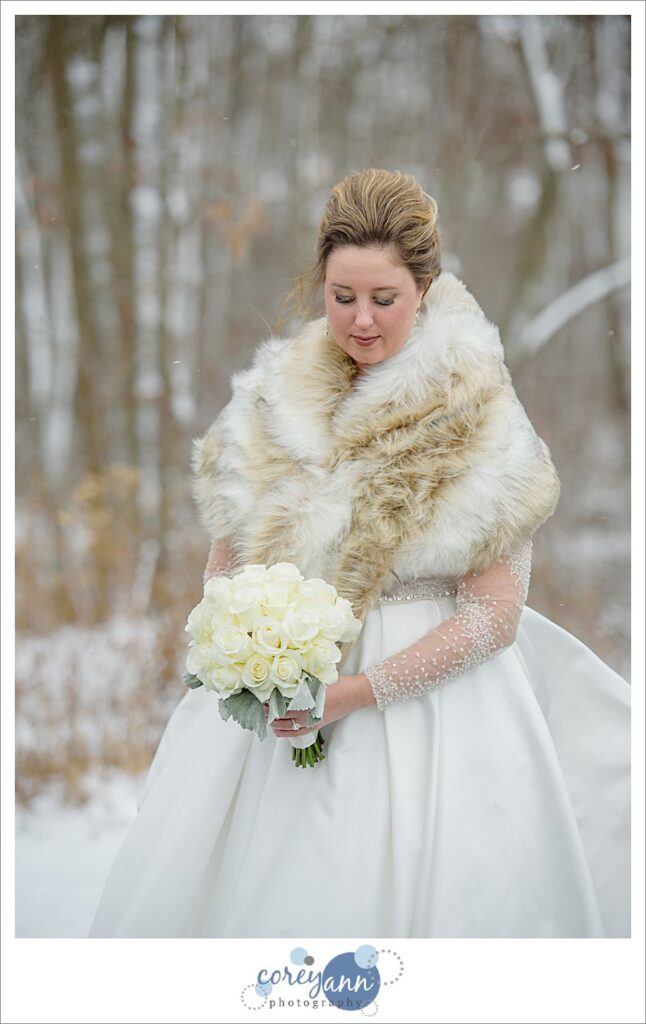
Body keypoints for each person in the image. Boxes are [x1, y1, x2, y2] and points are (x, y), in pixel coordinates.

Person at [89, 168, 630, 939]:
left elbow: (495, 616)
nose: (362, 321)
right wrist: (249, 653)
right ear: (320, 285)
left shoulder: (483, 417)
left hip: (438, 726)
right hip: (277, 724)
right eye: (343, 297)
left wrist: (352, 693)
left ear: (426, 288)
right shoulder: (275, 402)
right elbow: (227, 561)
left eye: (386, 299)